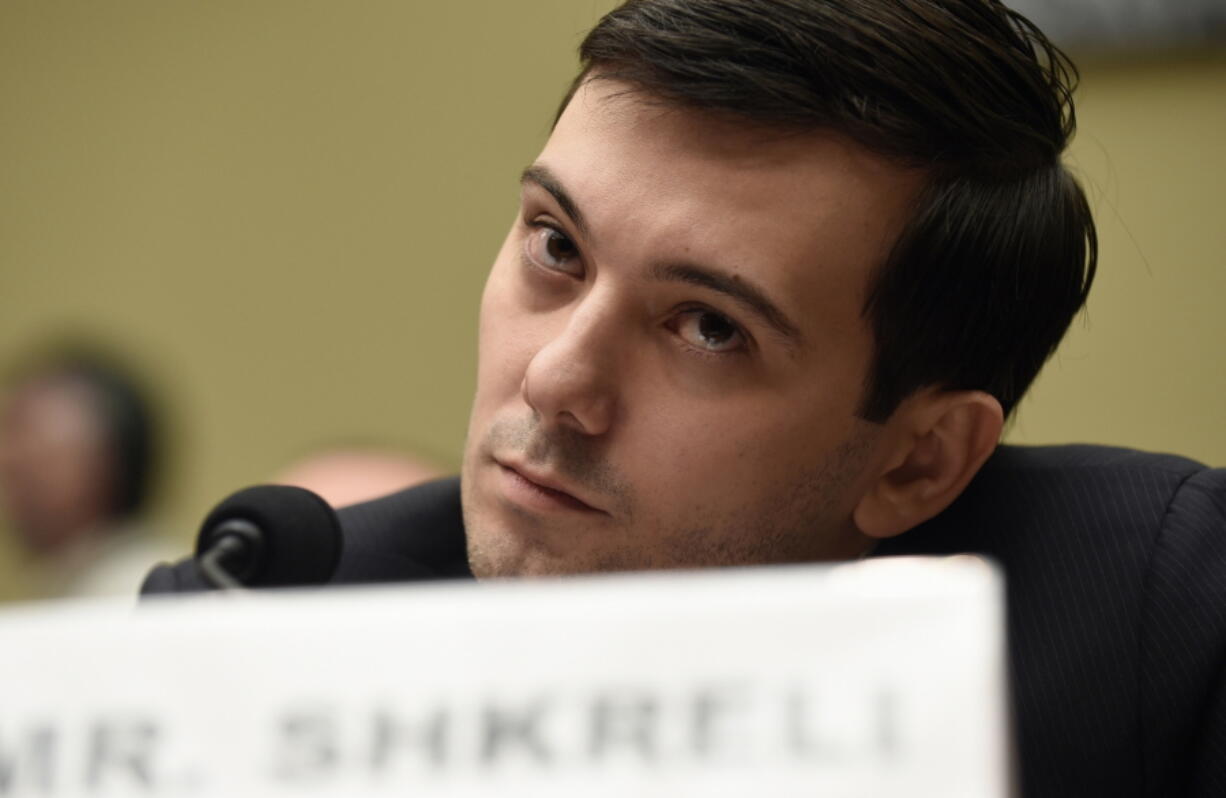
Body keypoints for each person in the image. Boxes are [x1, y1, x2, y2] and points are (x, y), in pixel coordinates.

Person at [145, 1, 1226, 795]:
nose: (554, 379)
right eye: (555, 247)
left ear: (917, 460)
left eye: (710, 327)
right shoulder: (256, 635)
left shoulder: (1151, 636)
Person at [1, 347, 177, 599]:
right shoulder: (74, 587)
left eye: (23, 431)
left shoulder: (143, 592)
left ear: (105, 458)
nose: (6, 458)